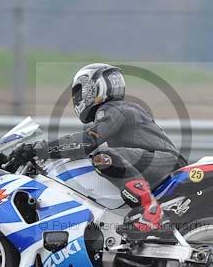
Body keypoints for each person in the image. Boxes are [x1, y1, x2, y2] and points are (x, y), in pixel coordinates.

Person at [10, 63, 187, 233]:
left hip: (164, 161)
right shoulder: (122, 108)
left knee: (103, 158)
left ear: (96, 88)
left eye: (82, 91)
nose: (79, 97)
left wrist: (39, 149)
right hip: (158, 161)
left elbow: (88, 141)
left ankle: (151, 212)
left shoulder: (114, 108)